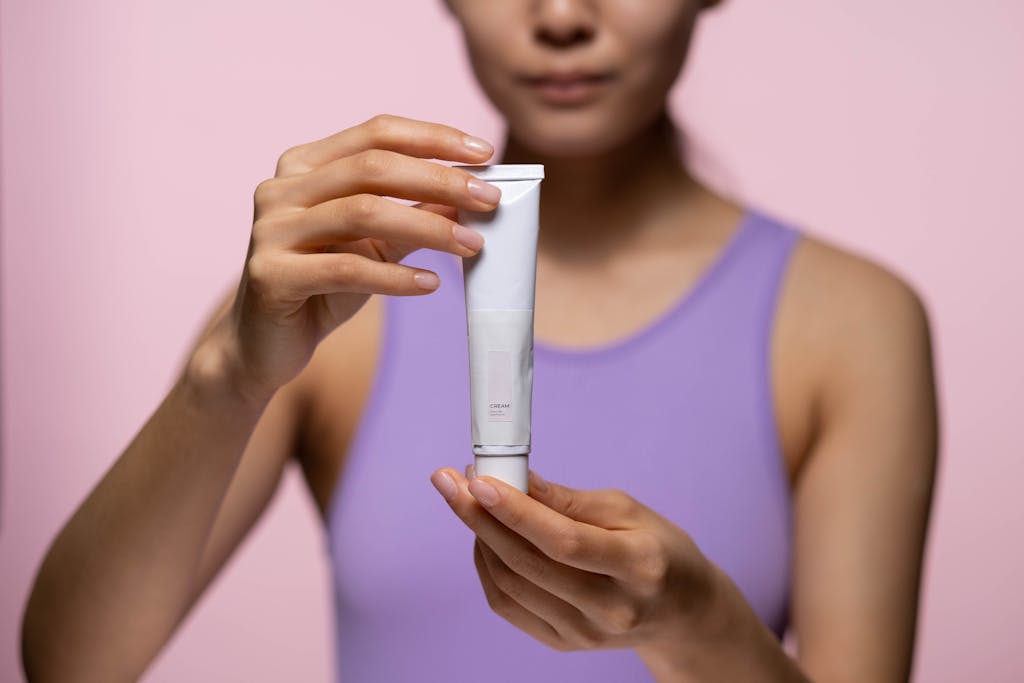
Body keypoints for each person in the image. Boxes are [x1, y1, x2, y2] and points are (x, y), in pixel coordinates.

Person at [21, 1, 938, 681]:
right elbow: (67, 665)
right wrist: (223, 379)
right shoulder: (338, 297)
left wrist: (698, 624)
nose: (562, 15)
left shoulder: (849, 322)